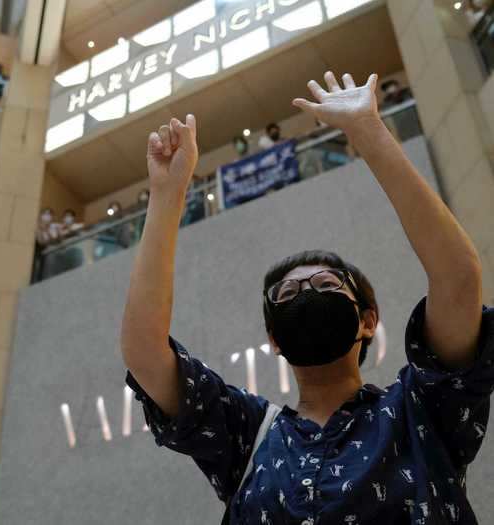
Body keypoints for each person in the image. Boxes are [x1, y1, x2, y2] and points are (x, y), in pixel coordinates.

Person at [121, 72, 490, 525]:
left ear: (368, 320)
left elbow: (458, 279)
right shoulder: (245, 435)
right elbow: (145, 352)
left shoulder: (422, 409)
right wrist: (166, 195)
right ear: (274, 339)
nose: (307, 292)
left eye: (327, 286)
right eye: (289, 293)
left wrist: (367, 131)